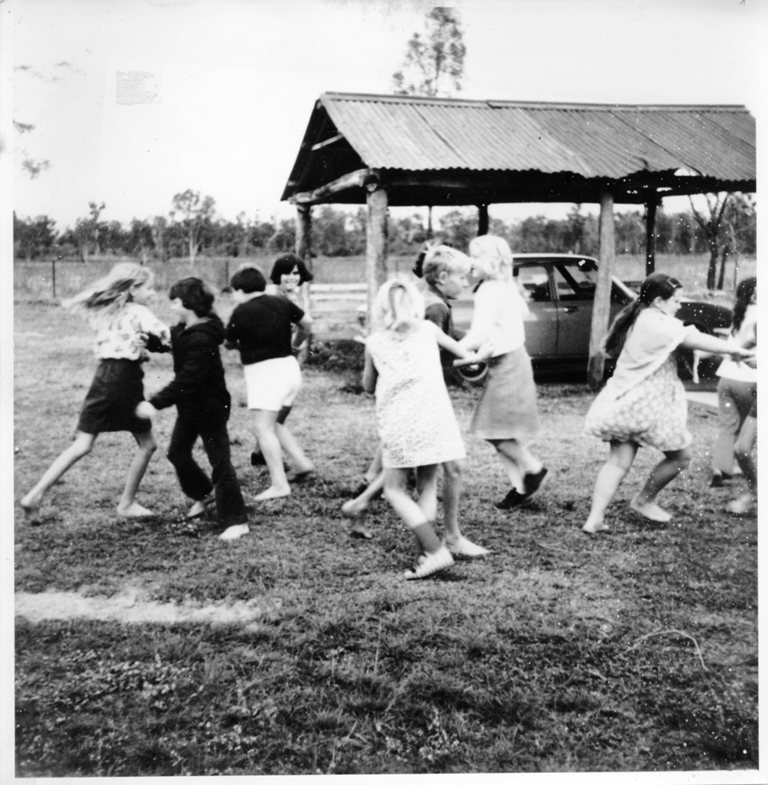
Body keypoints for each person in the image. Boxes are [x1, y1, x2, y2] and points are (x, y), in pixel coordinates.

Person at [343, 245, 489, 559]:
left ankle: (431, 550)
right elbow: (466, 357)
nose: (465, 282)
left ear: (381, 310)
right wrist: (487, 351)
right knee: (425, 485)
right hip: (432, 416)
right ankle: (432, 549)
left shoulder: (375, 341)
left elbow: (367, 386)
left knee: (399, 487)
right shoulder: (428, 326)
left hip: (399, 421)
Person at [582, 272, 754, 534]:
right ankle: (644, 500)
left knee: (618, 462)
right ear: (659, 301)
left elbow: (687, 344)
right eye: (675, 300)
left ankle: (594, 519)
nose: (680, 305)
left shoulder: (639, 318)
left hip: (621, 403)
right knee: (681, 456)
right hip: (645, 405)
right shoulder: (659, 324)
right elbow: (694, 338)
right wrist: (736, 351)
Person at [20, 262, 171, 522]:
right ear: (133, 289)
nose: (153, 292)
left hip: (103, 377)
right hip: (125, 381)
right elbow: (165, 336)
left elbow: (126, 342)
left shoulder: (107, 312)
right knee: (147, 445)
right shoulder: (138, 311)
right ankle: (127, 503)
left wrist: (143, 346)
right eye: (149, 287)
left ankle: (33, 496)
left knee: (82, 444)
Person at [135, 278, 251, 541]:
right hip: (189, 407)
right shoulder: (185, 329)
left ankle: (236, 521)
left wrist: (154, 403)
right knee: (177, 453)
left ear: (188, 303)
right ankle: (207, 497)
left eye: (175, 300)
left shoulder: (203, 337)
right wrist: (152, 343)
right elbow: (174, 343)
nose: (171, 304)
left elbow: (188, 378)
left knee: (220, 463)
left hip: (210, 407)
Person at [459, 234, 548, 510]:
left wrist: (449, 347)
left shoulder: (490, 290)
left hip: (508, 363)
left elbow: (480, 332)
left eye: (476, 256)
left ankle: (533, 469)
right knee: (495, 430)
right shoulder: (502, 286)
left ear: (493, 261)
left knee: (491, 429)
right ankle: (521, 487)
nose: (470, 262)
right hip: (510, 361)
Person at [225, 266, 314, 501]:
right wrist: (296, 344)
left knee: (261, 428)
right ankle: (301, 462)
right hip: (289, 368)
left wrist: (242, 342)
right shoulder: (281, 302)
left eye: (234, 292)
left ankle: (279, 484)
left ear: (240, 290)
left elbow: (229, 342)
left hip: (264, 373)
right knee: (273, 424)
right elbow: (307, 323)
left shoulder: (240, 311)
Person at [250, 254, 314, 467]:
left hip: (293, 357)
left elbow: (305, 327)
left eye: (296, 273)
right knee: (273, 409)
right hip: (273, 358)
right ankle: (267, 453)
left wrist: (297, 350)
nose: (291, 277)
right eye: (287, 272)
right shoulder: (271, 296)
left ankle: (259, 451)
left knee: (284, 407)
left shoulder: (300, 296)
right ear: (279, 274)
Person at [709, 277, 757, 514]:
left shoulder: (738, 314)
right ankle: (744, 469)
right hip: (749, 379)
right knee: (750, 429)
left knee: (728, 426)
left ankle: (721, 468)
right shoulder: (760, 314)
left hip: (726, 377)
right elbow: (751, 342)